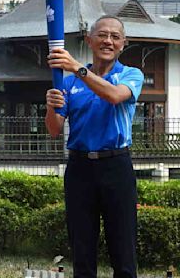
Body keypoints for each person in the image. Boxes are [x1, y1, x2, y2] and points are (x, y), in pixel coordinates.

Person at [45, 15, 144, 278]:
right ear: (89, 40)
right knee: (82, 250)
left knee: (123, 251)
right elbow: (54, 129)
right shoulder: (69, 84)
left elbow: (114, 96)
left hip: (116, 166)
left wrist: (78, 67)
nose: (108, 41)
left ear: (123, 44)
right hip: (79, 169)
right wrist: (50, 105)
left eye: (115, 37)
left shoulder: (131, 75)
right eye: (102, 35)